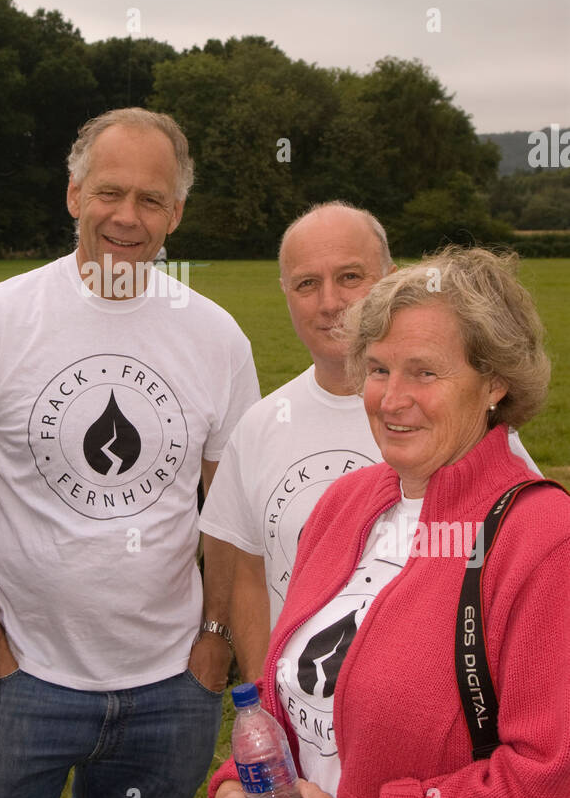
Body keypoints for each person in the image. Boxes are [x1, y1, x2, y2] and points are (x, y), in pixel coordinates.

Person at [0, 106, 260, 798]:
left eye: (152, 200)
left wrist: (217, 637)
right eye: (109, 191)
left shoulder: (214, 337)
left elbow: (233, 517)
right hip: (21, 682)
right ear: (73, 193)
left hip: (169, 690)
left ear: (176, 215)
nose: (127, 217)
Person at [210, 247, 570, 798]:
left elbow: (549, 787)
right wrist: (235, 787)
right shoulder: (346, 506)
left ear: (493, 382)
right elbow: (299, 698)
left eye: (424, 373)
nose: (391, 399)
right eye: (377, 369)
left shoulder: (543, 540)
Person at [201, 202, 538, 682]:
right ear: (285, 293)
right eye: (306, 283)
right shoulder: (258, 426)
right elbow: (251, 569)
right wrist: (264, 699)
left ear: (390, 278)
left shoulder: (454, 420)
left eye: (350, 277)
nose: (330, 302)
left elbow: (522, 563)